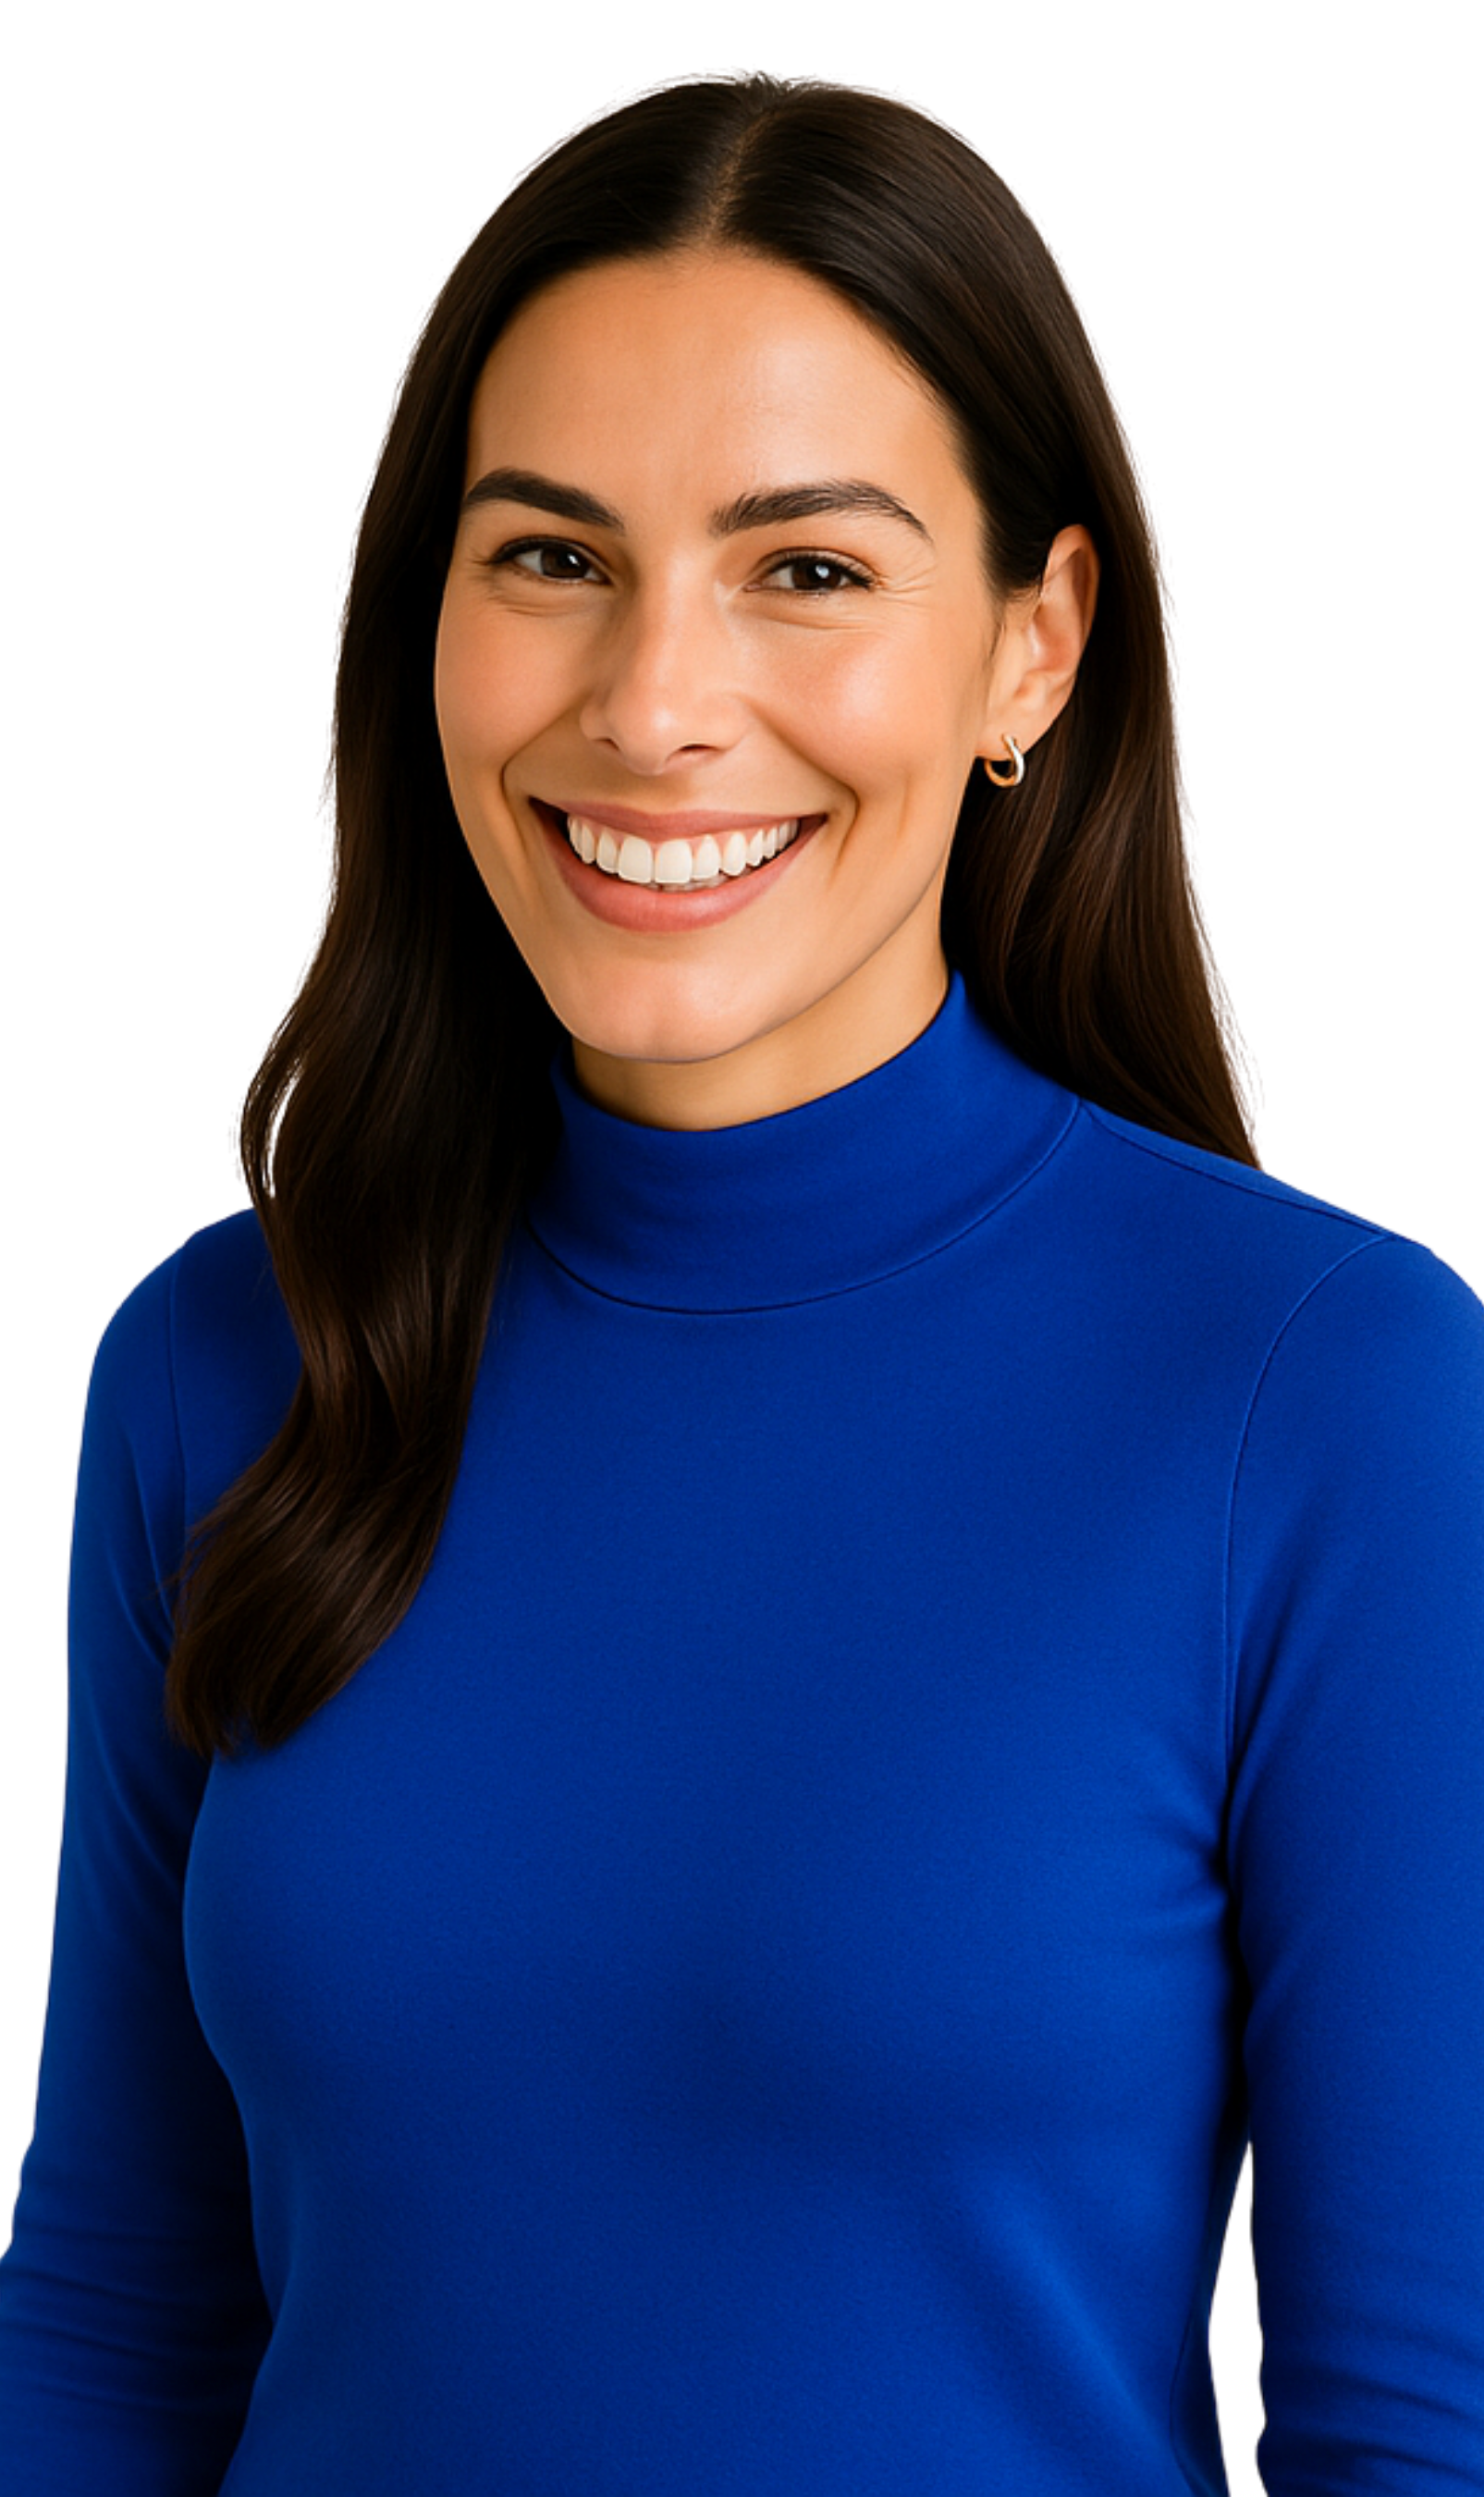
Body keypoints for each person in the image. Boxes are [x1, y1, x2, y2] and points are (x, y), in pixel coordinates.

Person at [0, 68, 1480, 2495]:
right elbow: (113, 2315)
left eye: (805, 568)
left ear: (1030, 648)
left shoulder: (1320, 1402)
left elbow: (1418, 2423)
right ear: (431, 622)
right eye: (550, 556)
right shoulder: (222, 1364)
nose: (652, 701)